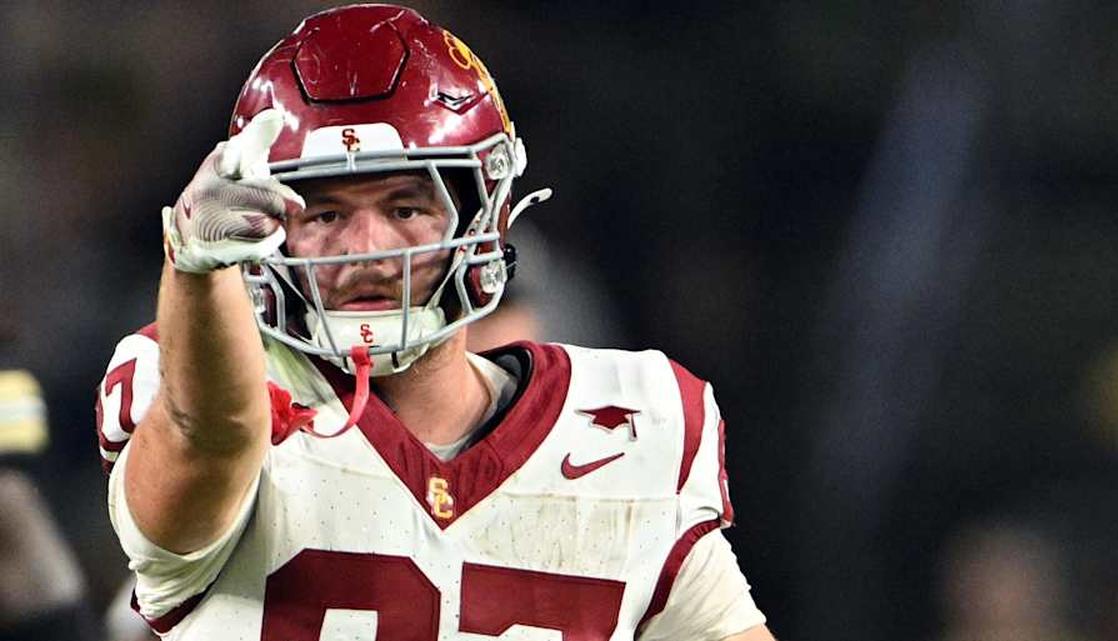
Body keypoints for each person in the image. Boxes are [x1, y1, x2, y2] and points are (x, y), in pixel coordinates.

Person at [96, 5, 775, 639]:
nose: (366, 249)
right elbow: (208, 430)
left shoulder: (630, 427)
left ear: (484, 216)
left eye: (404, 207)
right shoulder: (203, 385)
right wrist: (196, 270)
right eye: (325, 214)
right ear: (266, 226)